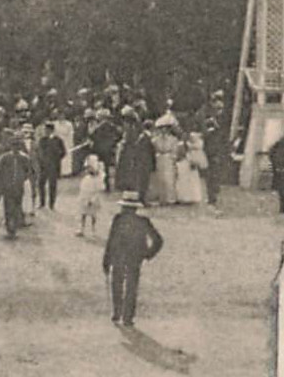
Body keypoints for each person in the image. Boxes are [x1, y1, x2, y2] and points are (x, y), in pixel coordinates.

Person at [102, 193, 164, 327]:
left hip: (119, 256)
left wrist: (106, 260)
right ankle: (127, 317)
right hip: (134, 257)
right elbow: (158, 240)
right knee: (131, 286)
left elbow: (111, 241)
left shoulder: (118, 219)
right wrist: (147, 254)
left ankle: (117, 313)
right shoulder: (142, 221)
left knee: (117, 284)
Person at [0, 135, 32, 239]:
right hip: (7, 186)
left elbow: (29, 171)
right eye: (13, 145)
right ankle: (10, 229)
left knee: (17, 206)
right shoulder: (5, 157)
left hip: (18, 186)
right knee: (8, 208)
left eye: (17, 145)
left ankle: (14, 228)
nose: (15, 148)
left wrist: (22, 178)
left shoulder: (24, 158)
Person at [35, 124, 66, 212]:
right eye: (45, 130)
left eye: (47, 130)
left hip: (53, 166)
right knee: (41, 184)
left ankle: (51, 204)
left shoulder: (58, 140)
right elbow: (39, 152)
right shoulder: (42, 140)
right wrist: (40, 161)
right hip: (43, 166)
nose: (46, 132)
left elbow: (63, 152)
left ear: (52, 130)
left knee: (52, 185)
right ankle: (42, 203)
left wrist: (57, 159)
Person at [176, 131, 208, 206]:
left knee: (192, 179)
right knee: (183, 180)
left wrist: (193, 160)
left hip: (190, 161)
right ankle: (183, 197)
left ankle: (192, 196)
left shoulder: (191, 145)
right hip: (184, 162)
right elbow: (179, 154)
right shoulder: (181, 144)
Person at [75, 157, 104, 238]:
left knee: (93, 215)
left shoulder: (98, 180)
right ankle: (81, 229)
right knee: (82, 214)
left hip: (93, 199)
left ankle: (93, 230)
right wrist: (82, 198)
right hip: (85, 197)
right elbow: (83, 188)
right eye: (87, 169)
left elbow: (98, 190)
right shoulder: (86, 178)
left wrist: (93, 199)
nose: (88, 170)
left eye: (90, 168)